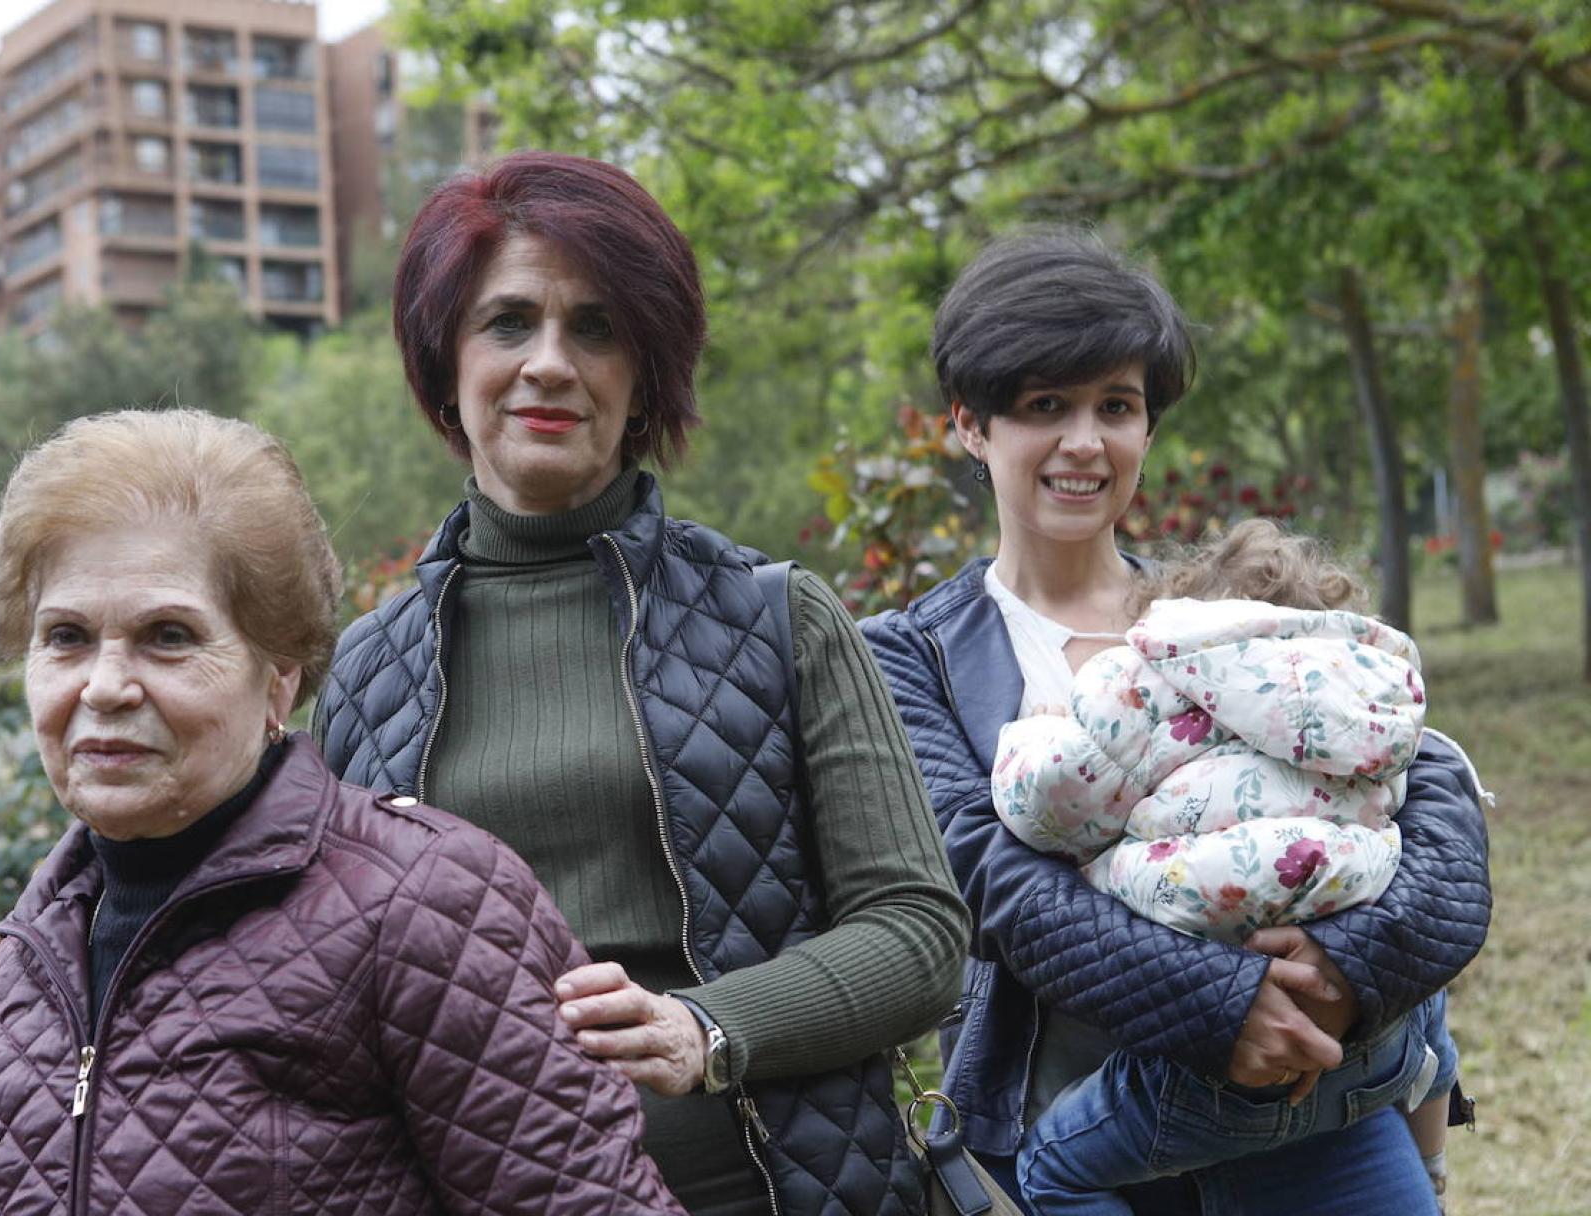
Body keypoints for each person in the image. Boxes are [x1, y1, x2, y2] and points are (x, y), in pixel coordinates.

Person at [313, 151, 971, 1216]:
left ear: (645, 371)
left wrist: (708, 1025)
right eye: (508, 322)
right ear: (445, 364)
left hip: (765, 1193)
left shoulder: (777, 616)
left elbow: (919, 934)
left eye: (598, 326)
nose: (551, 364)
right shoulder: (366, 668)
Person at [859, 230, 1491, 1216]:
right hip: (1074, 1132)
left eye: (1117, 405)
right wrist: (1222, 1006)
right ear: (969, 425)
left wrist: (1347, 967)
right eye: (1043, 406)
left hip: (1315, 1106)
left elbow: (1427, 777)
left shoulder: (1223, 609)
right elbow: (991, 882)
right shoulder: (913, 655)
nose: (1085, 441)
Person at [0, 409, 684, 1216]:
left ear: (278, 677)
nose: (104, 687)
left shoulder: (427, 902)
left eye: (168, 636)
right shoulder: (36, 945)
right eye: (66, 637)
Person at [988, 519, 1464, 1213]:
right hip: (1372, 1047)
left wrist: (1041, 728)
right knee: (1426, 990)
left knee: (1052, 1169)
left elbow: (1050, 803)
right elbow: (1427, 815)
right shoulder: (1373, 696)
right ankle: (1433, 1163)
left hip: (1213, 1074)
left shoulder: (1156, 682)